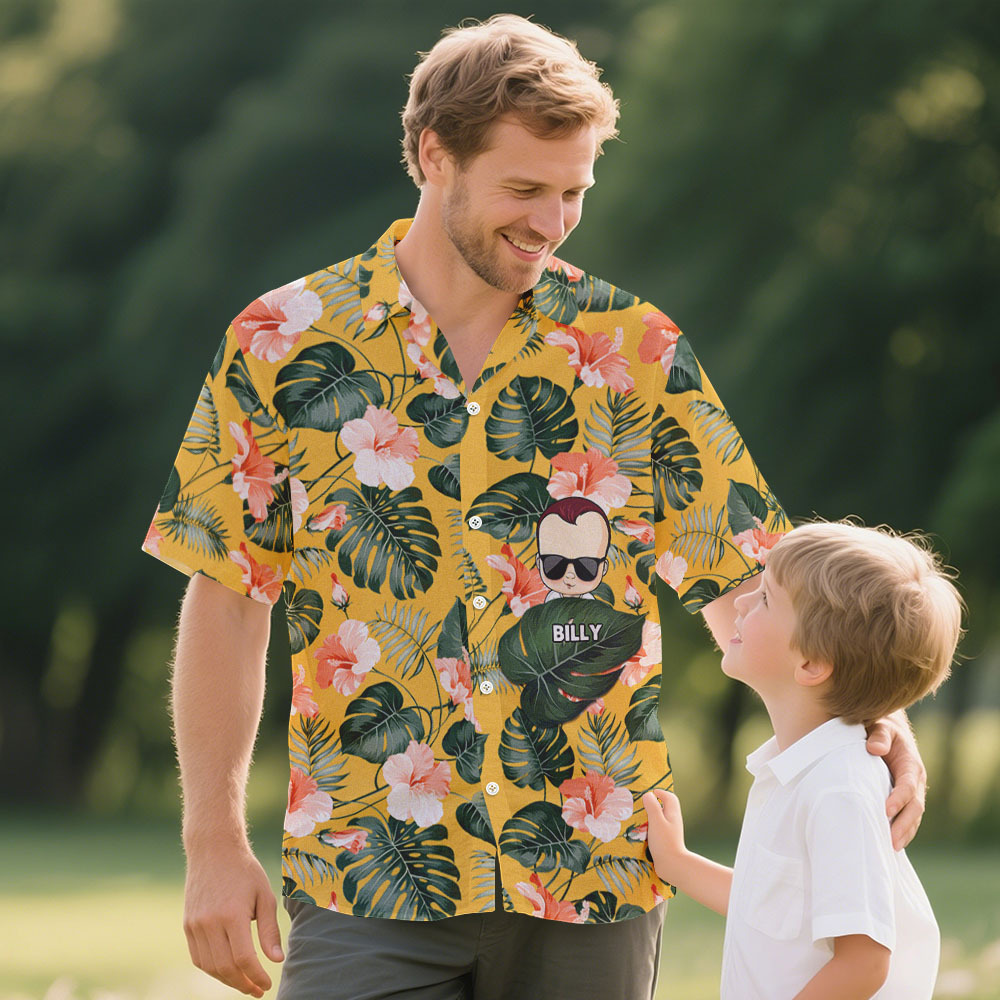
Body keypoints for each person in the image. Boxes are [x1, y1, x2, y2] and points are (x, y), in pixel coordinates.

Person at [142, 15, 930, 1000]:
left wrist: (859, 712)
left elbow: (749, 577)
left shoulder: (634, 352)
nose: (551, 221)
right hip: (367, 875)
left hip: (594, 877)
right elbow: (227, 594)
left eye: (573, 193)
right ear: (435, 156)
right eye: (524, 189)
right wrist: (213, 842)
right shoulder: (280, 343)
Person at [642, 521, 963, 999]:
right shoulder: (799, 771)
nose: (742, 600)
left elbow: (865, 961)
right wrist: (678, 864)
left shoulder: (840, 786)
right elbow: (775, 912)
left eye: (767, 597)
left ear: (812, 664)